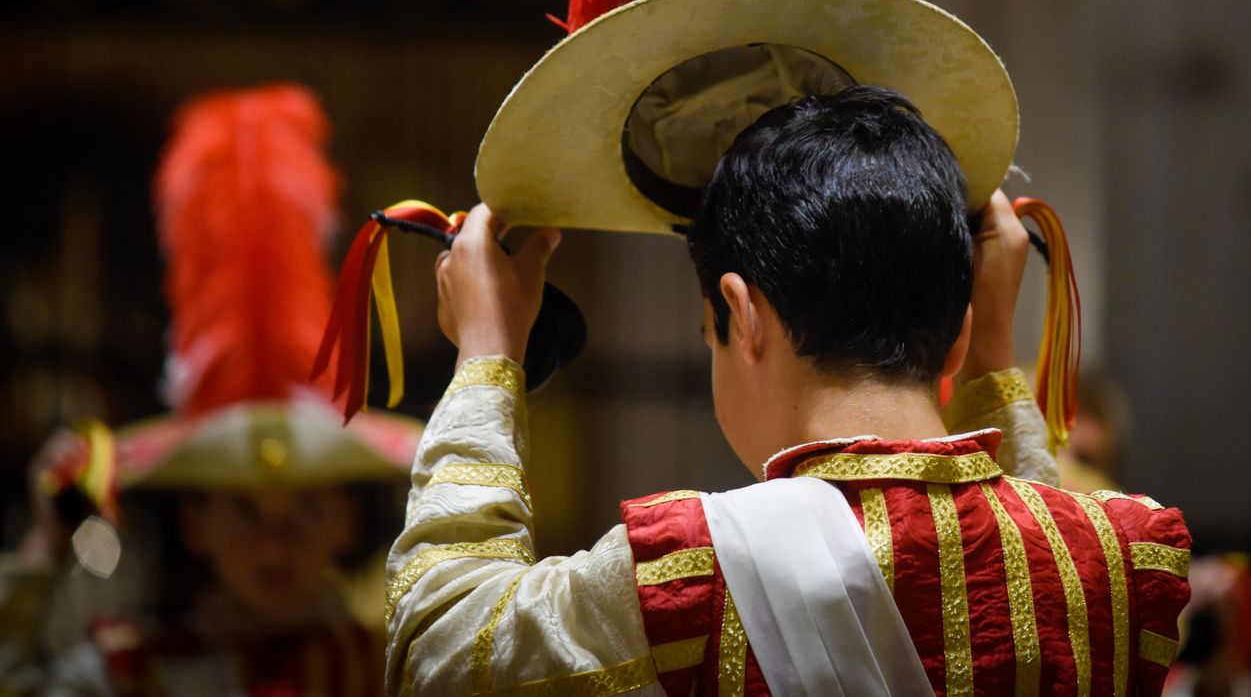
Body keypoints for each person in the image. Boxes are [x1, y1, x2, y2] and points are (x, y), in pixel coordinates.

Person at [387, 87, 1190, 695]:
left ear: (740, 313)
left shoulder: (688, 570)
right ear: (957, 329)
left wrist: (486, 356)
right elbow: (1027, 558)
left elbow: (439, 649)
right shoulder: (1124, 558)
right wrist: (991, 360)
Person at [0, 84, 419, 696]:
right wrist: (44, 545)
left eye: (305, 510)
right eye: (243, 511)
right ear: (197, 523)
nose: (273, 544)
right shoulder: (130, 672)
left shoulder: (399, 672)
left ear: (345, 522)